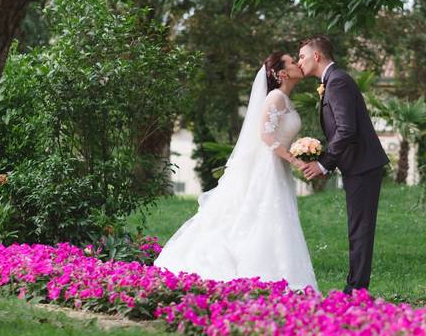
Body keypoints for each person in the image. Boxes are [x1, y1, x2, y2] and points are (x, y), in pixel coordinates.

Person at [153, 52, 319, 291]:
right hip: (267, 168)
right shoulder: (275, 97)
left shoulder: (285, 99)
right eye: (292, 62)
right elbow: (266, 136)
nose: (297, 64)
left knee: (276, 219)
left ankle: (280, 273)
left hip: (278, 167)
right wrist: (294, 159)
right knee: (263, 217)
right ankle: (260, 274)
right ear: (282, 73)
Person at [298, 35, 388, 293]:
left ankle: (356, 290)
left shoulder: (337, 82)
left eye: (302, 56)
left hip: (363, 165)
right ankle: (355, 287)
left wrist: (324, 163)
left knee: (360, 229)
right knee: (357, 227)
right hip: (358, 165)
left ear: (317, 56)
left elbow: (347, 130)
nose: (299, 61)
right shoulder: (333, 80)